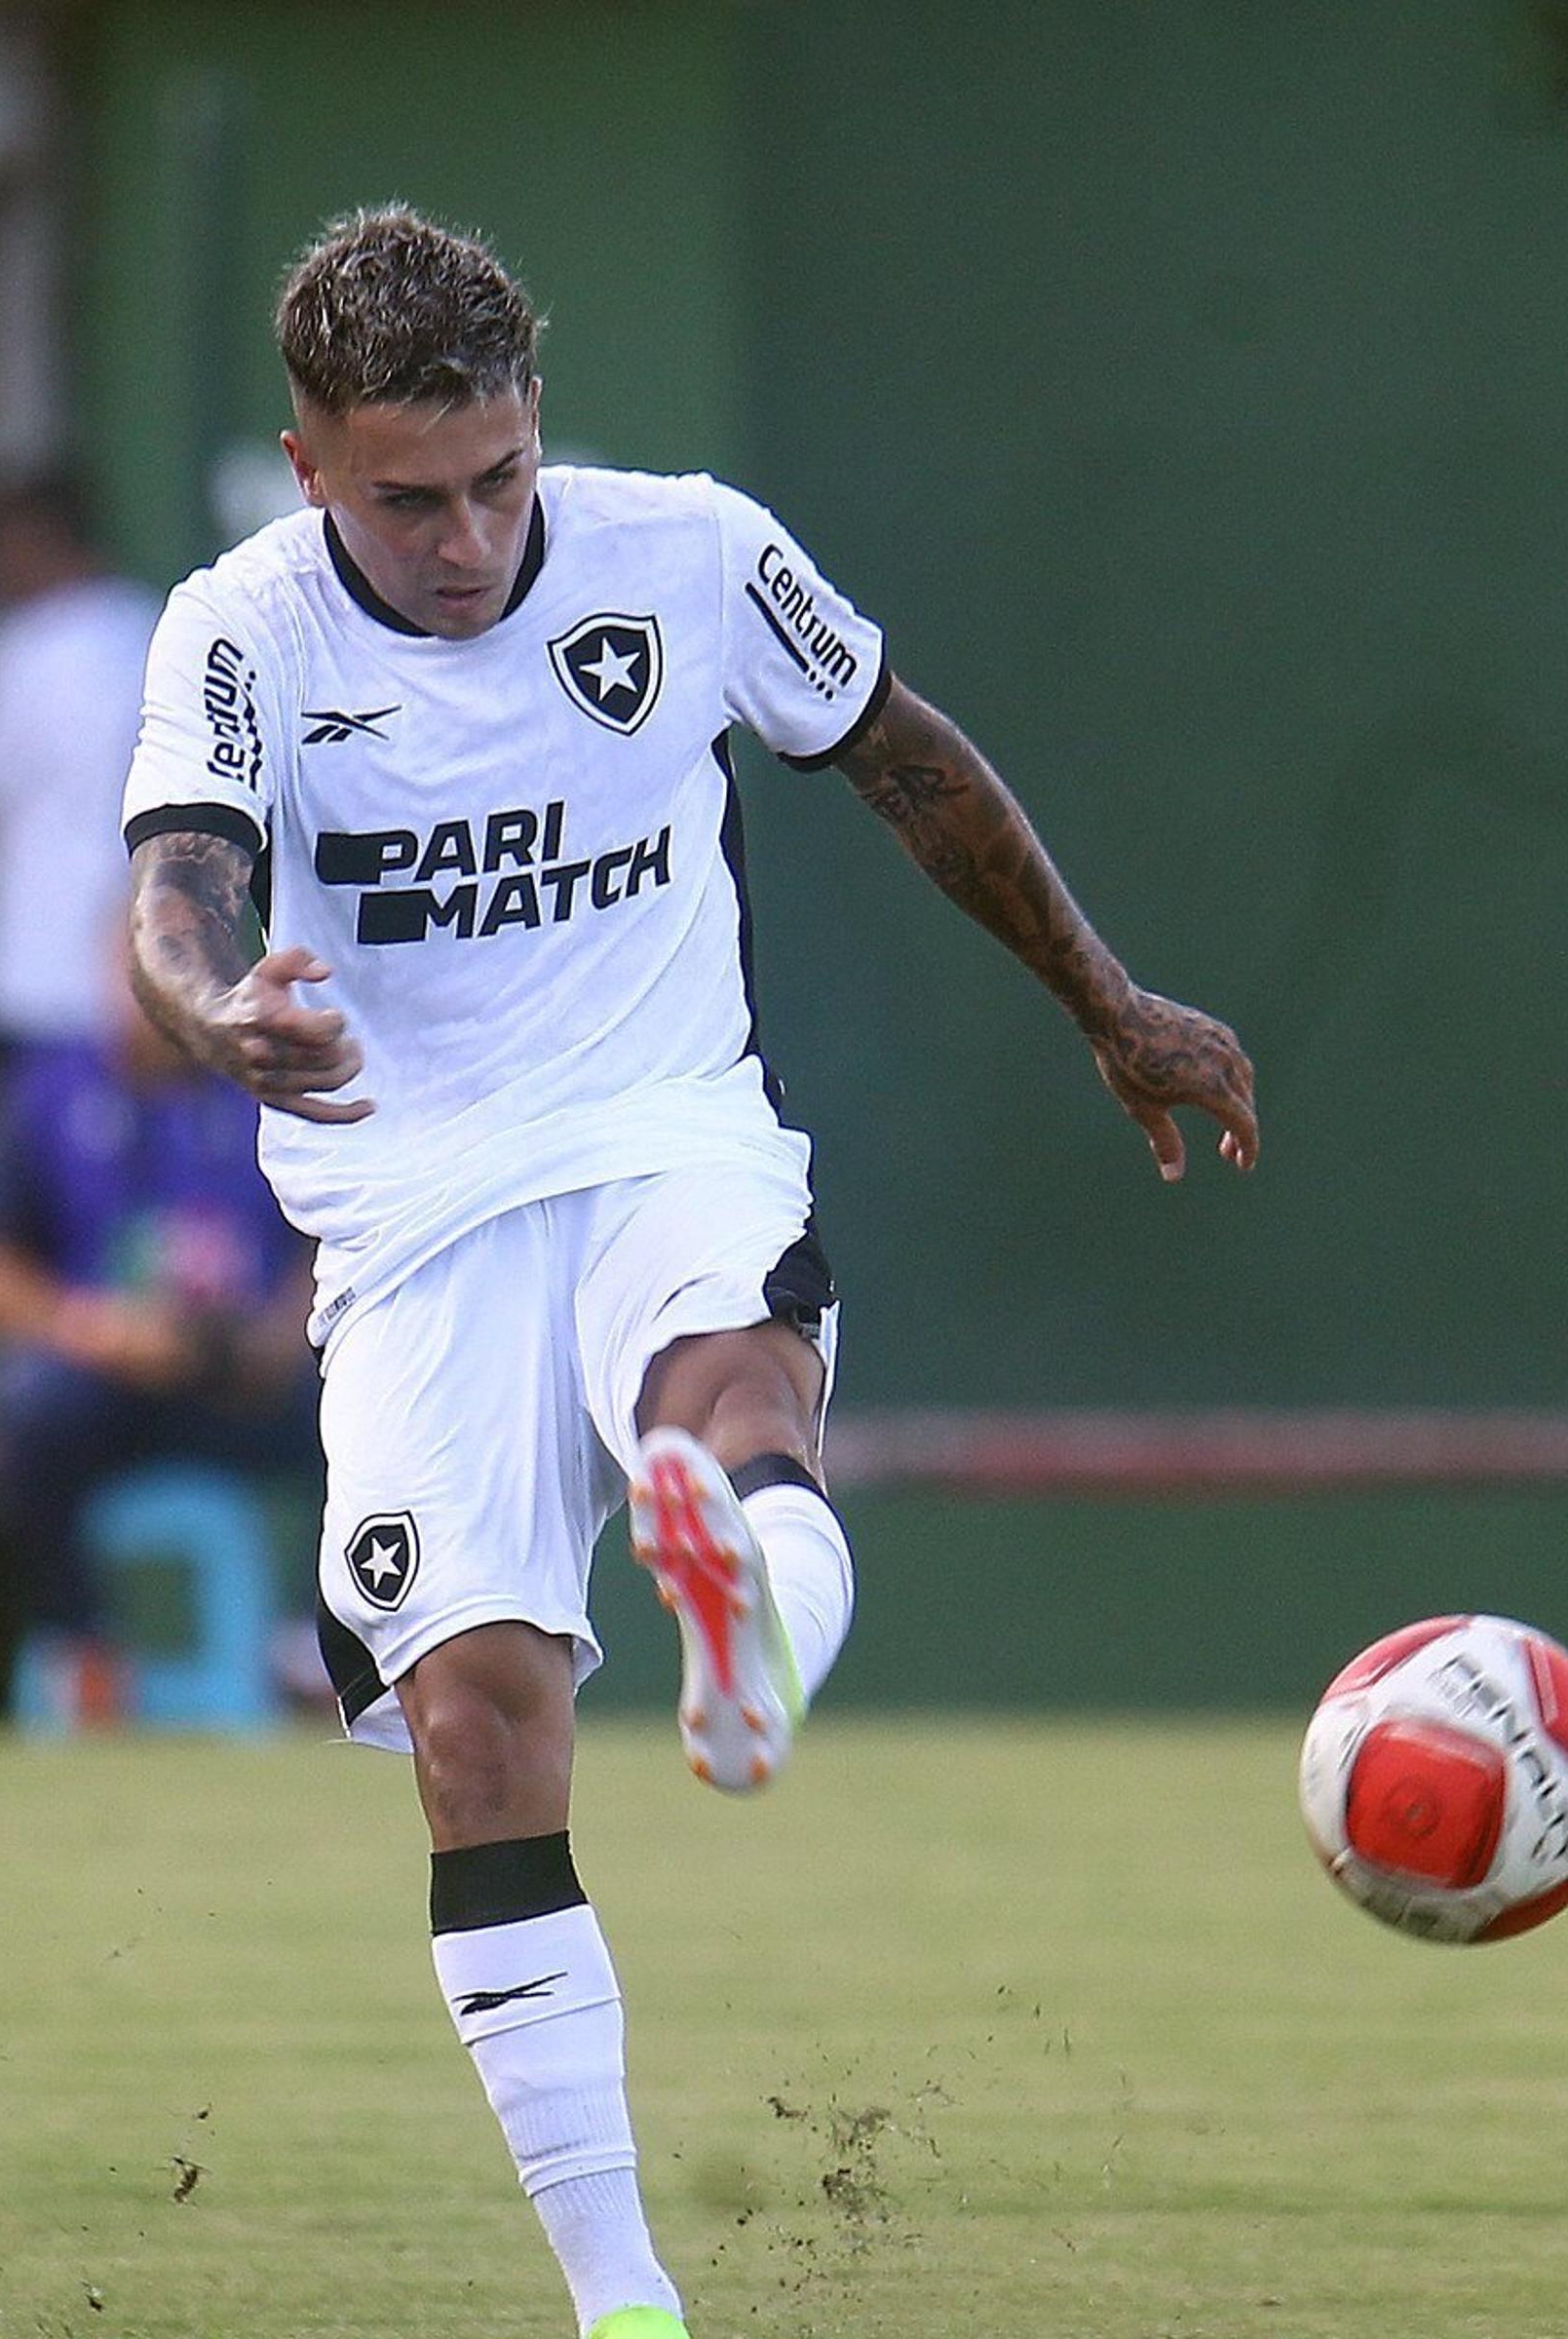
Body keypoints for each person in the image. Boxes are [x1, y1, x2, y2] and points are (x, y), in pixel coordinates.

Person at [118, 208, 1258, 2339]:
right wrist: (212, 1017)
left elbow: (909, 761)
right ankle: (625, 2302)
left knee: (730, 1395)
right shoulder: (242, 633)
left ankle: (746, 1632)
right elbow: (183, 882)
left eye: (497, 480)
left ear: (539, 428)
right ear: (306, 469)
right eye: (406, 498)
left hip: (667, 1126)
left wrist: (1106, 998)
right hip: (412, 1216)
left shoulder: (695, 555)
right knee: (478, 1730)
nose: (464, 538)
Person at [0, 964, 318, 1726]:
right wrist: (90, 1327)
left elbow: (329, 1237)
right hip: (95, 1375)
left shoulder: (266, 1095)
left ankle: (318, 1643)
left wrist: (282, 1330)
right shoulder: (34, 1094)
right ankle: (77, 1648)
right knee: (28, 1408)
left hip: (235, 1372)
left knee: (359, 1403)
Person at [0, 476, 162, 1052]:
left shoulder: (20, 649)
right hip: (141, 984)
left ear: (39, 540)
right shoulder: (154, 632)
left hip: (37, 979)